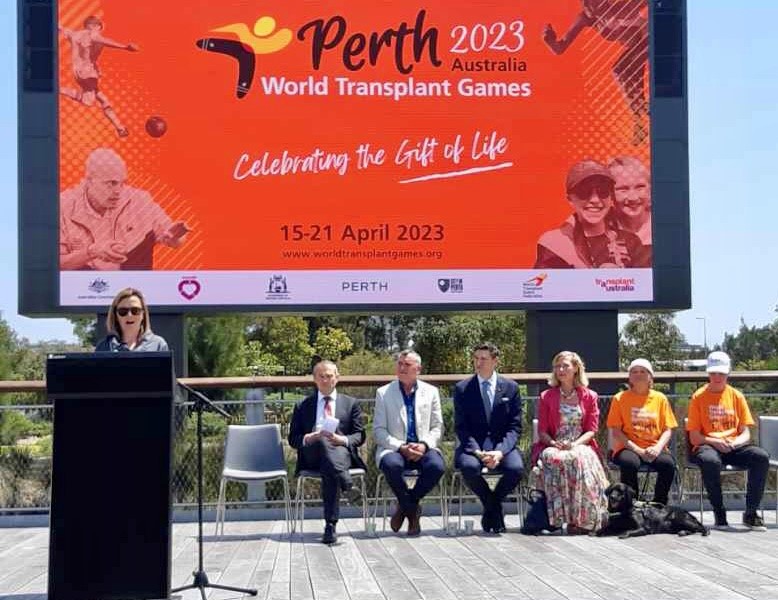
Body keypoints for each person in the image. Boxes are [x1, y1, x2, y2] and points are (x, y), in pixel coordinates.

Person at [60, 148, 190, 271]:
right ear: (89, 181)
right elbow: (57, 264)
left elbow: (174, 239)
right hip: (88, 287)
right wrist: (91, 252)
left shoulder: (140, 200)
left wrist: (175, 237)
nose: (118, 191)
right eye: (111, 183)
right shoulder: (63, 205)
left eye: (122, 183)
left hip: (134, 286)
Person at [542, 0, 648, 144]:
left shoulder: (624, 5)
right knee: (631, 82)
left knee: (620, 70)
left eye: (597, 4)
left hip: (651, 39)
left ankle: (646, 113)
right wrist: (550, 41)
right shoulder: (586, 17)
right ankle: (640, 125)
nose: (592, 8)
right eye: (588, 5)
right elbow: (559, 48)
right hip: (636, 48)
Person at [686, 351, 769, 531]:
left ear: (728, 373)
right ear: (708, 373)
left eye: (721, 373)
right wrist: (715, 442)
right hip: (708, 444)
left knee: (761, 456)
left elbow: (746, 432)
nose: (717, 377)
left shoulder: (737, 396)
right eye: (713, 373)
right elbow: (694, 437)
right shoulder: (698, 397)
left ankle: (750, 513)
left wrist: (737, 442)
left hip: (733, 445)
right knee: (710, 461)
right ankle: (719, 512)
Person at [288, 360, 366, 544]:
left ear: (337, 378)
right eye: (321, 376)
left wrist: (342, 440)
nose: (325, 380)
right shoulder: (303, 405)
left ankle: (330, 526)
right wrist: (312, 436)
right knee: (323, 440)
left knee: (330, 466)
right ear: (314, 379)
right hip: (312, 456)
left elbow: (359, 436)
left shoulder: (351, 403)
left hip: (340, 455)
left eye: (329, 376)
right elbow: (293, 439)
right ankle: (347, 484)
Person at [530, 351, 609, 534]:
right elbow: (542, 431)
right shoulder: (546, 396)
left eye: (565, 365)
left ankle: (582, 520)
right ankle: (556, 519)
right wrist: (553, 443)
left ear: (576, 369)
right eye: (557, 366)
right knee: (553, 458)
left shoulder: (590, 396)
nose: (561, 370)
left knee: (578, 458)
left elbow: (591, 430)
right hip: (553, 443)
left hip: (580, 443)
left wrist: (575, 444)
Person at [373, 350, 444, 536]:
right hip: (394, 448)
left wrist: (423, 445)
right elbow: (378, 431)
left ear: (418, 369)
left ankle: (405, 506)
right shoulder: (383, 393)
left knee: (436, 467)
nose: (402, 368)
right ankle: (413, 512)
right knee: (391, 465)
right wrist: (400, 447)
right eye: (400, 364)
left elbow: (437, 427)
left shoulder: (431, 392)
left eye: (407, 365)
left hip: (423, 446)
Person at [454, 343, 523, 533]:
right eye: (476, 358)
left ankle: (491, 506)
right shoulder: (462, 388)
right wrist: (477, 452)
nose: (478, 362)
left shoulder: (511, 387)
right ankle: (494, 508)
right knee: (469, 467)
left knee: (515, 469)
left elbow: (515, 427)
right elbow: (461, 427)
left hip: (502, 446)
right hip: (473, 447)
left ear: (495, 361)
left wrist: (499, 452)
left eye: (483, 359)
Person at [535, 160, 649, 269]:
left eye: (603, 191)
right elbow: (546, 286)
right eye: (584, 192)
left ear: (611, 198)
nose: (595, 200)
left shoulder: (631, 242)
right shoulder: (555, 242)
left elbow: (644, 285)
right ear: (570, 199)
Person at [607, 358, 677, 506]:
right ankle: (632, 505)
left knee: (668, 464)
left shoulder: (660, 398)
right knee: (629, 463)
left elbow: (668, 429)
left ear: (650, 376)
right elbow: (616, 431)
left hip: (654, 447)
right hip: (627, 447)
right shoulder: (620, 398)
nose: (638, 375)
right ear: (629, 377)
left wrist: (657, 448)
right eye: (634, 372)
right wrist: (638, 450)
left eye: (643, 371)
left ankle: (659, 504)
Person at [59, 16, 139, 137]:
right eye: (100, 28)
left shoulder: (74, 34)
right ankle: (58, 89)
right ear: (95, 26)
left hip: (78, 72)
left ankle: (120, 128)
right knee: (88, 101)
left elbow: (62, 29)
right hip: (88, 73)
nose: (100, 31)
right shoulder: (93, 34)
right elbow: (106, 41)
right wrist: (125, 47)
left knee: (103, 99)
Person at [95, 287, 168, 351]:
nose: (129, 315)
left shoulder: (158, 344)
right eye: (123, 311)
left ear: (143, 314)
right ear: (115, 316)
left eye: (135, 311)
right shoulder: (104, 347)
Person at [609, 156, 652, 254]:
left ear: (650, 189)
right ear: (610, 193)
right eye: (623, 189)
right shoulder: (601, 226)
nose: (633, 197)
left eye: (640, 187)